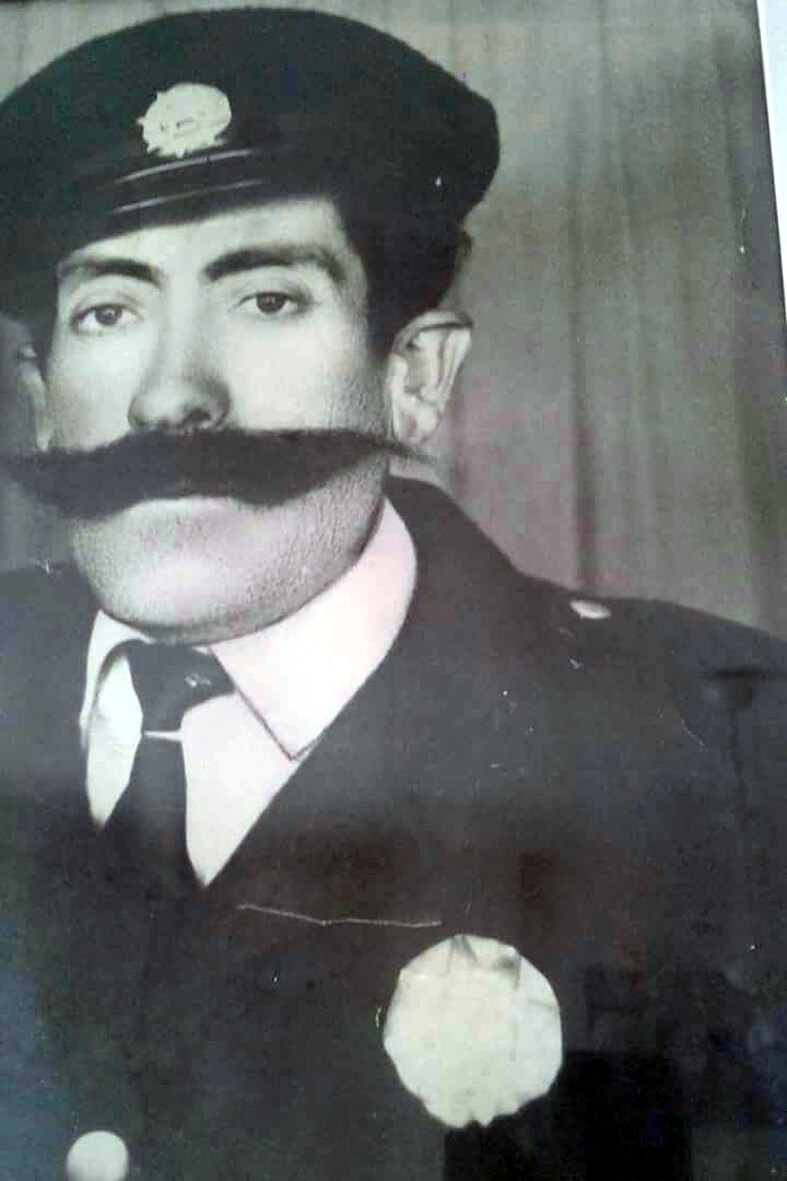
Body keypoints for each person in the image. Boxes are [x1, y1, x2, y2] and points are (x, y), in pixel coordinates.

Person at [0, 8, 784, 1179]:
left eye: (266, 298)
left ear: (415, 375)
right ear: (42, 394)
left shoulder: (733, 752)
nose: (172, 395)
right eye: (108, 310)